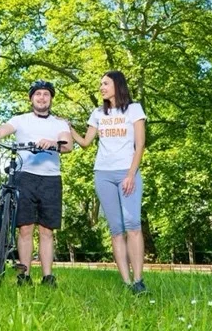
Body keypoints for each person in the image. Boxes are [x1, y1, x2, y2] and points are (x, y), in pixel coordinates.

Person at [0, 80, 73, 287]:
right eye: (38, 94)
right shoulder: (21, 120)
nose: (42, 98)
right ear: (31, 98)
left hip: (50, 178)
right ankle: (24, 276)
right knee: (25, 229)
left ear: (51, 98)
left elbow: (67, 144)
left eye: (46, 94)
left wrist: (52, 143)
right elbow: (0, 131)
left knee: (46, 230)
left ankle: (47, 277)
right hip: (24, 175)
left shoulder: (59, 123)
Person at [69, 70, 148, 294]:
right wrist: (70, 129)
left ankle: (139, 280)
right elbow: (85, 143)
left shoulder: (134, 109)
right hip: (102, 173)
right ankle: (126, 282)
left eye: (105, 83)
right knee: (116, 230)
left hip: (127, 172)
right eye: (100, 84)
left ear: (117, 85)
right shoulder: (97, 113)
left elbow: (140, 144)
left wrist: (131, 174)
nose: (101, 87)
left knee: (133, 226)